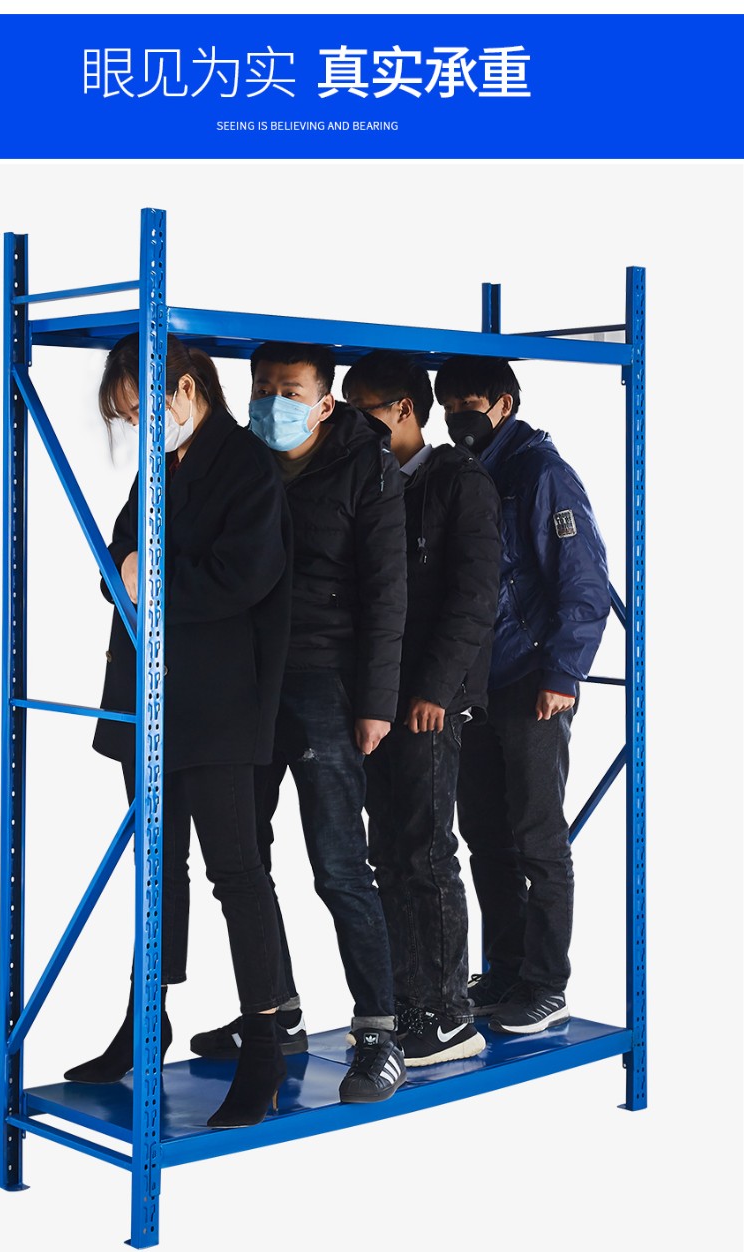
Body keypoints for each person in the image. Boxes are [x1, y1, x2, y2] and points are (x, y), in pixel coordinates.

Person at [65, 334, 293, 1130]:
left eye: (141, 408)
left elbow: (244, 576)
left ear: (188, 387)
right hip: (148, 699)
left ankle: (263, 1047)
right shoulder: (160, 466)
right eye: (127, 416)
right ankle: (145, 1021)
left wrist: (147, 574)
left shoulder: (248, 465)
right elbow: (116, 556)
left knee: (237, 873)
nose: (137, 425)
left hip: (220, 704)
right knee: (157, 869)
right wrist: (129, 569)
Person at [190, 341, 409, 1103]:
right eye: (260, 388)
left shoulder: (365, 468)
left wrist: (375, 702)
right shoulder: (236, 459)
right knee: (242, 860)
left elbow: (387, 592)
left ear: (324, 403)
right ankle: (275, 1011)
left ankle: (379, 1032)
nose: (270, 403)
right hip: (243, 679)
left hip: (324, 680)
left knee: (339, 865)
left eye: (288, 391)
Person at [434, 355, 611, 1033]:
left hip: (532, 682)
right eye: (448, 403)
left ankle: (545, 983)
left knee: (537, 837)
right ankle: (506, 969)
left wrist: (561, 674)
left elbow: (583, 582)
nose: (457, 415)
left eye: (469, 402)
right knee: (485, 834)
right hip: (476, 684)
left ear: (504, 404)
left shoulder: (539, 473)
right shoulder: (465, 470)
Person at [341, 351, 501, 1066]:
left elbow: (474, 595)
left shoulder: (458, 481)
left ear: (403, 409)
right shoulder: (371, 479)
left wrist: (436, 690)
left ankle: (448, 1016)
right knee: (387, 853)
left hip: (427, 703)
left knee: (425, 854)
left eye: (361, 411)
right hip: (378, 698)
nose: (350, 425)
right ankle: (407, 1001)